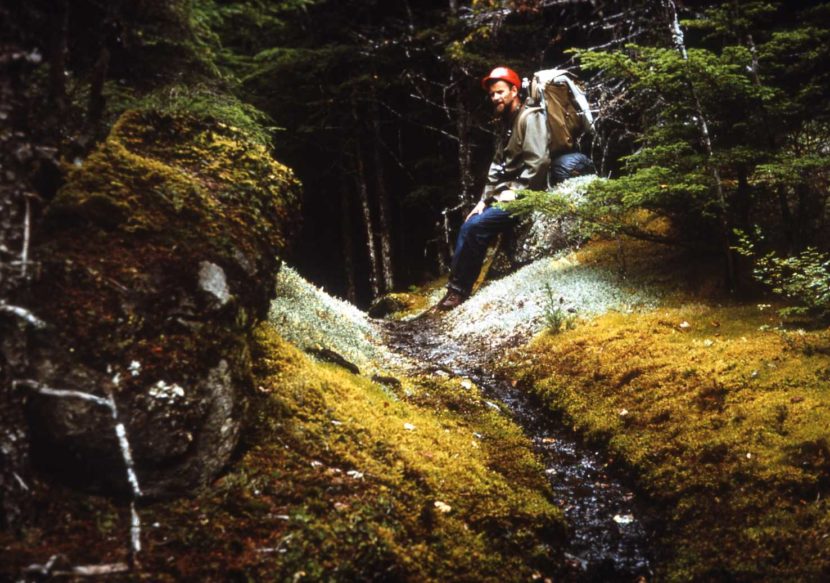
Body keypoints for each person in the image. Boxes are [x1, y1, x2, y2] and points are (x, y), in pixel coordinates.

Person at [436, 66, 549, 310]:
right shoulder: (508, 121)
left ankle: (458, 292)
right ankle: (454, 288)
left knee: (476, 227)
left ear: (514, 91)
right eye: (492, 94)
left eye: (500, 92)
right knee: (470, 223)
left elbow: (538, 162)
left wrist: (518, 192)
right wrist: (483, 200)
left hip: (527, 194)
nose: (495, 97)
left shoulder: (531, 117)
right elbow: (499, 163)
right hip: (510, 192)